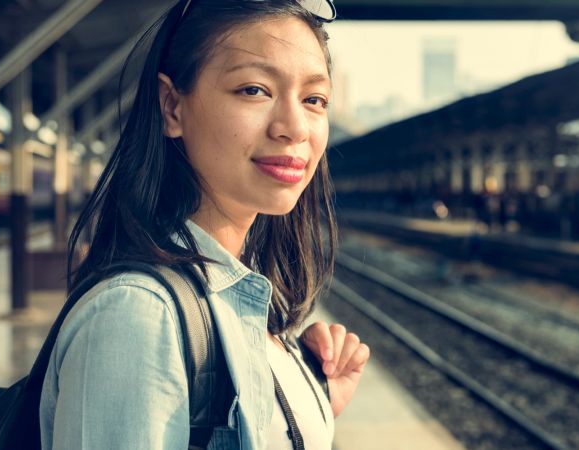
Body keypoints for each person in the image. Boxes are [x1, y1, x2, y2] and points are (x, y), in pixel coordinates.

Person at [39, 1, 370, 449]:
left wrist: (308, 400)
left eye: (314, 99)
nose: (294, 127)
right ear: (172, 107)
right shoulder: (137, 317)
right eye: (254, 90)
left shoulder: (244, 290)